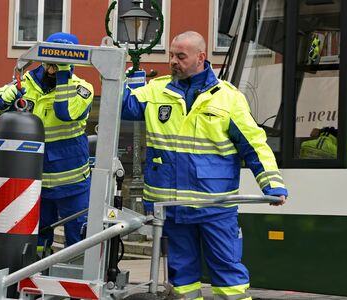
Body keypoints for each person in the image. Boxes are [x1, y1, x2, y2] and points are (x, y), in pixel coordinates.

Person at [121, 31, 288, 300]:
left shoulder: (228, 99)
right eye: (171, 55)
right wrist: (125, 80)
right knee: (181, 276)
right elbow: (121, 107)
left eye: (181, 56)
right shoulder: (156, 91)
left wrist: (272, 183)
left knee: (227, 274)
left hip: (214, 206)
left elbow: (254, 144)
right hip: (172, 207)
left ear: (201, 57)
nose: (173, 61)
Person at [0, 32, 93, 250]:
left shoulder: (82, 88)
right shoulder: (25, 83)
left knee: (79, 239)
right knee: (35, 239)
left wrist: (63, 75)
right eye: (51, 61)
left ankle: (76, 280)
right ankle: (33, 275)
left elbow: (65, 112)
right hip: (33, 182)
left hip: (72, 183)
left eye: (62, 61)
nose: (54, 66)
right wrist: (14, 91)